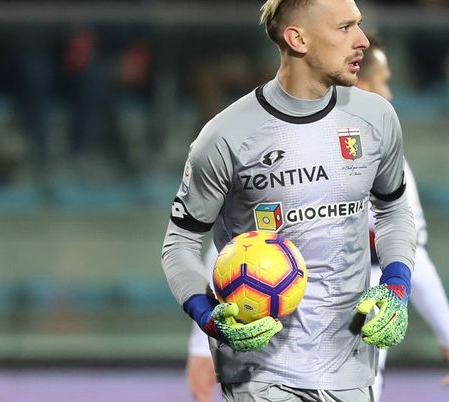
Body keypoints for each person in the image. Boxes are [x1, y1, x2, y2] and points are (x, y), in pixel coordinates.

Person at [184, 33, 449, 402]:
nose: (389, 95)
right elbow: (415, 260)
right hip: (339, 328)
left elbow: (234, 250)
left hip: (282, 333)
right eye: (383, 82)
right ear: (360, 86)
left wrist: (200, 346)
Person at [161, 1, 416, 401]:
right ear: (298, 39)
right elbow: (179, 244)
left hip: (350, 369)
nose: (362, 41)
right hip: (261, 374)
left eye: (359, 25)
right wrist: (208, 317)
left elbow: (394, 208)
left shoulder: (376, 118)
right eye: (344, 28)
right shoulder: (225, 136)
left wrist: (396, 286)